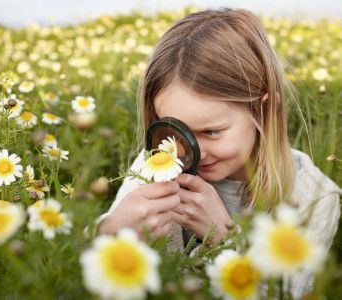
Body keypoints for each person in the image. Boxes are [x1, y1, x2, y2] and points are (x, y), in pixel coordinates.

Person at [96, 7, 341, 299]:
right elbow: (88, 263)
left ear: (265, 112)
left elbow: (285, 293)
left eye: (211, 132)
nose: (192, 152)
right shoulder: (159, 164)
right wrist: (109, 231)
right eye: (176, 131)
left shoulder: (315, 199)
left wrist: (224, 238)